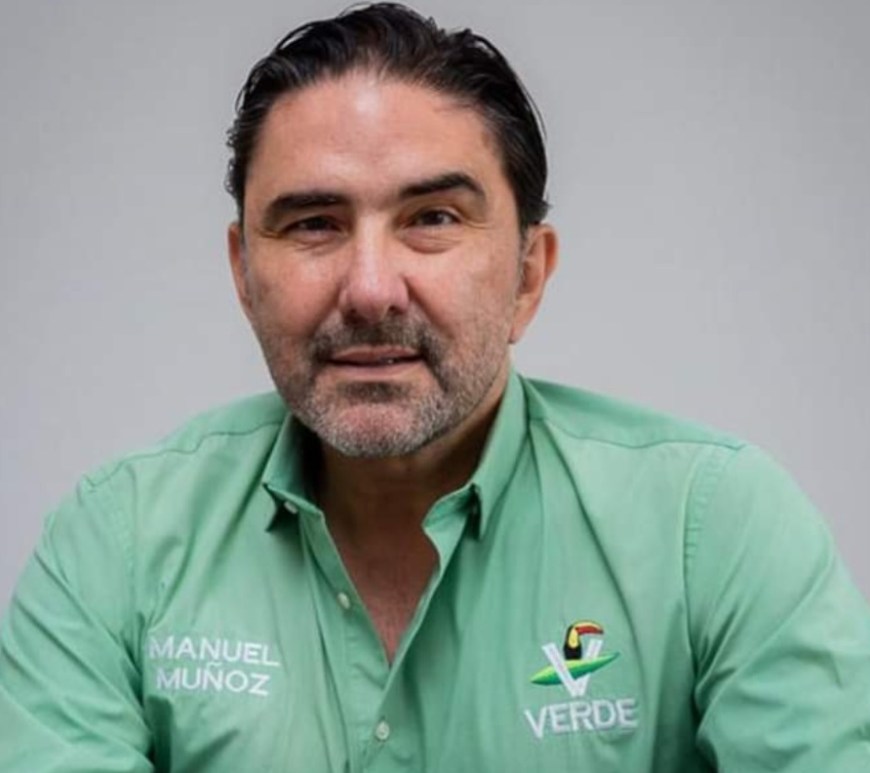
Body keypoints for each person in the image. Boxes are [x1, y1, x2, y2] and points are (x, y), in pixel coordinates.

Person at [1, 3, 869, 771]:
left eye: (432, 219)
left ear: (528, 273)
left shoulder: (710, 531)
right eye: (314, 224)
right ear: (243, 273)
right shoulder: (117, 544)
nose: (371, 288)